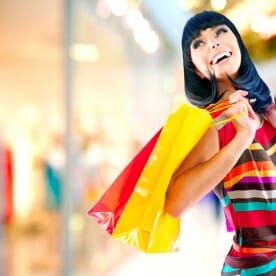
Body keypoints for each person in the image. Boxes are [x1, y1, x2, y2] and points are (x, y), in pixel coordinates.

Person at [164, 11, 276, 275]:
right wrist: (241, 139)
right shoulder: (214, 124)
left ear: (238, 43)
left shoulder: (268, 112)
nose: (212, 42)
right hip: (258, 268)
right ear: (196, 70)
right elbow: (175, 202)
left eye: (219, 32)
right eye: (198, 43)